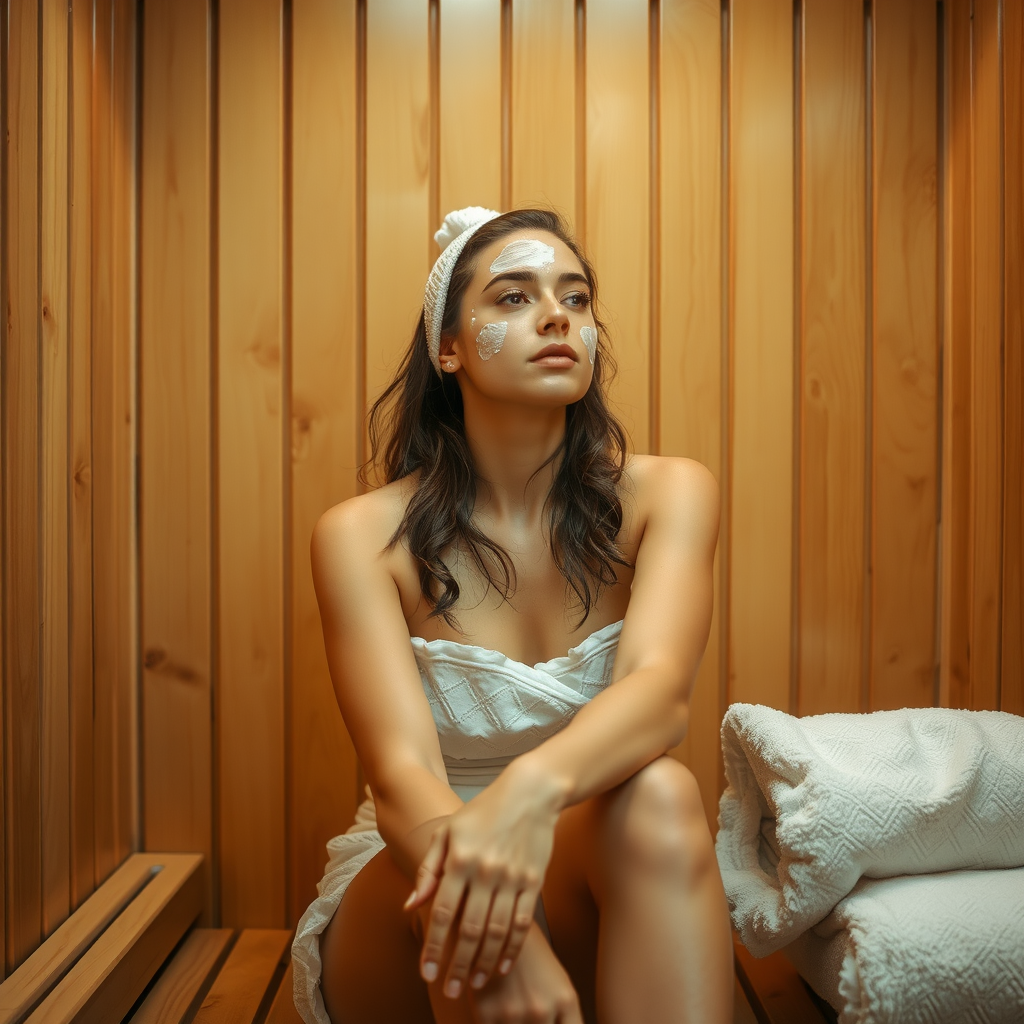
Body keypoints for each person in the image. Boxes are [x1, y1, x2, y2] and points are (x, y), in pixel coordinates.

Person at [292, 207, 733, 1024]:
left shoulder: (670, 495)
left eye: (575, 295)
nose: (557, 314)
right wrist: (493, 910)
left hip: (595, 885)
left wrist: (527, 793)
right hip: (413, 881)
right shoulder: (362, 537)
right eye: (512, 298)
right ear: (447, 347)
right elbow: (401, 779)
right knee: (474, 907)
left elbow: (660, 694)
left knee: (661, 795)